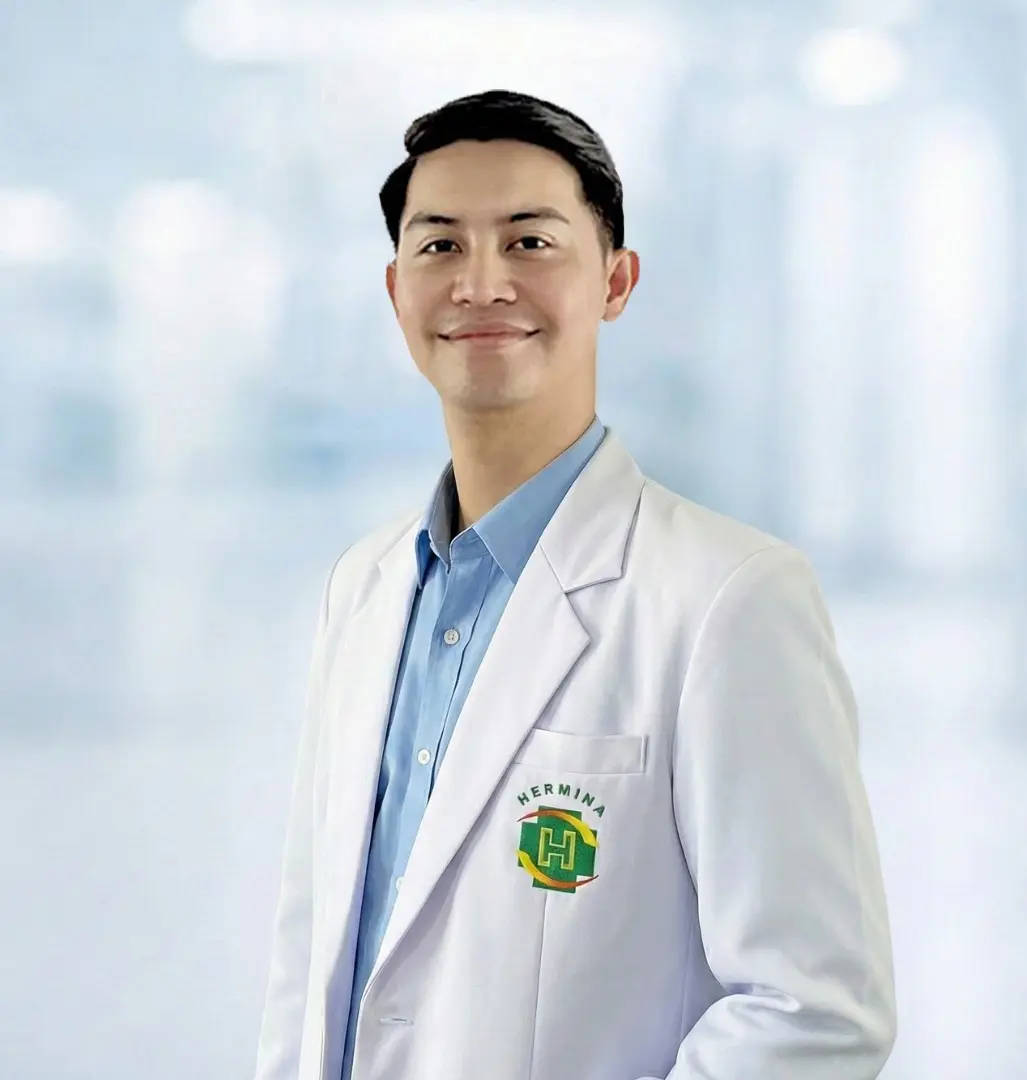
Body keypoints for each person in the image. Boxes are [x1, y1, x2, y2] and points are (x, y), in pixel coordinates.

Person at [253, 88, 897, 1080]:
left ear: (616, 281)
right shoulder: (366, 587)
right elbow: (311, 963)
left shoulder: (729, 598)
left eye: (530, 242)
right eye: (440, 246)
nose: (481, 284)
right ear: (395, 291)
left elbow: (815, 1008)